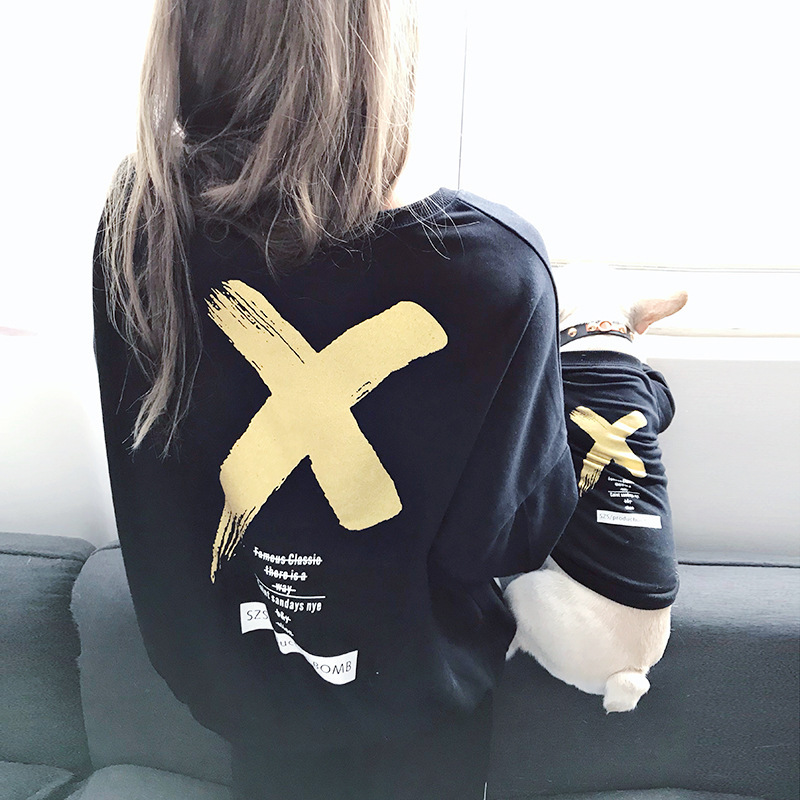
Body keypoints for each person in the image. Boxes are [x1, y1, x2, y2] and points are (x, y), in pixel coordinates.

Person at [93, 1, 578, 798]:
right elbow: (507, 540)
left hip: (246, 700)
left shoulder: (140, 225)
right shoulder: (498, 271)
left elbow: (151, 498)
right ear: (383, 48)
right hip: (424, 714)